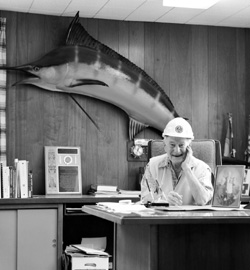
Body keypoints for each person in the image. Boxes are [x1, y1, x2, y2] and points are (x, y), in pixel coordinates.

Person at [141, 117, 214, 206]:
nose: (177, 150)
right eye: (172, 145)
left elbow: (202, 200)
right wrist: (164, 201)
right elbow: (145, 199)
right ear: (165, 146)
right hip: (161, 219)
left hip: (191, 219)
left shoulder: (203, 168)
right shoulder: (152, 165)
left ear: (189, 146)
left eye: (181, 145)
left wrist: (187, 169)